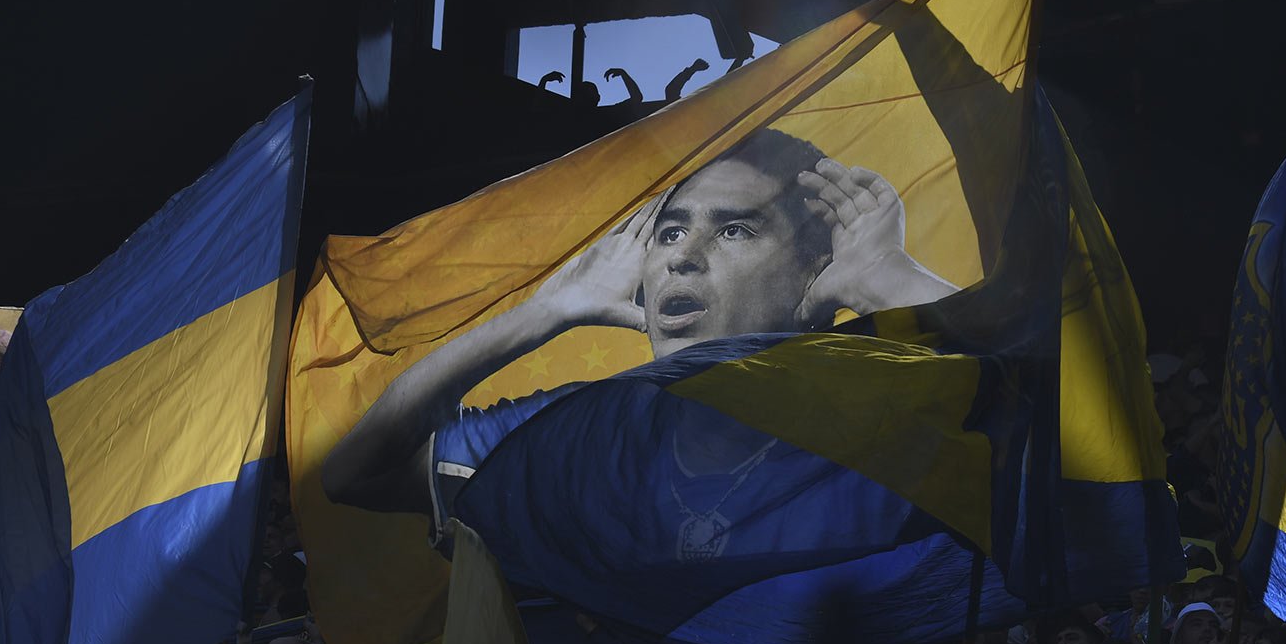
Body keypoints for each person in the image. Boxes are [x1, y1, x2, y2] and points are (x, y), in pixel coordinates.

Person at [322, 127, 954, 520]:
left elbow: (1046, 405)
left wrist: (884, 278)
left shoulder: (883, 420)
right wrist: (546, 310)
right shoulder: (581, 437)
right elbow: (357, 474)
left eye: (734, 228)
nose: (681, 253)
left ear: (813, 271)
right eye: (671, 231)